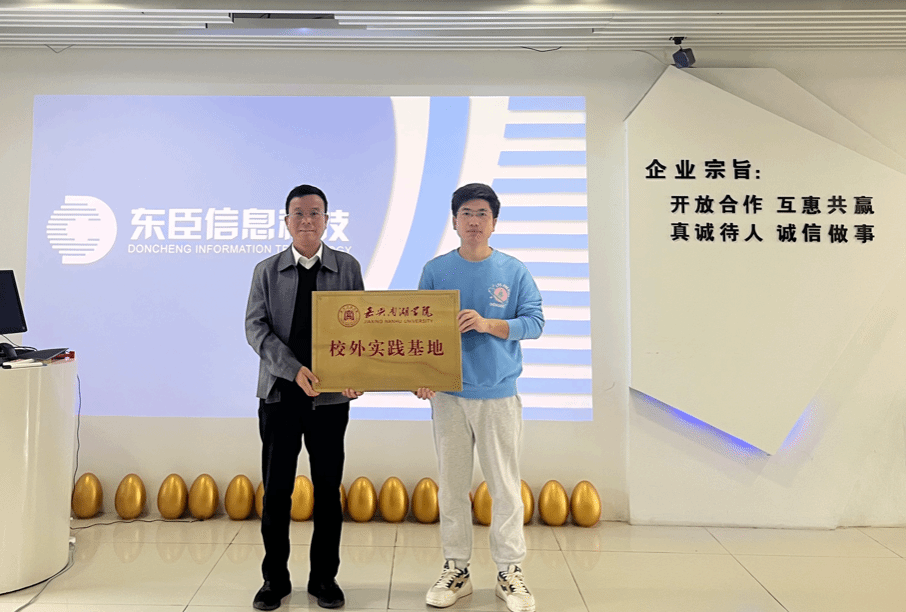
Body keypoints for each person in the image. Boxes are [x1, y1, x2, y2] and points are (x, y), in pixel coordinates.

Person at [415, 183, 544, 612]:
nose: (474, 221)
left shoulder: (513, 270)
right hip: (448, 395)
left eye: (482, 214)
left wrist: (489, 324)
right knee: (452, 487)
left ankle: (510, 571)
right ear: (454, 221)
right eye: (466, 213)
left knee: (504, 486)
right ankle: (457, 569)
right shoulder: (436, 270)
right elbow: (420, 330)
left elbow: (535, 323)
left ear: (494, 222)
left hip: (497, 394)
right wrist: (421, 376)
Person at [245, 184, 364, 611]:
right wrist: (293, 369)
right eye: (298, 213)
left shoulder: (347, 267)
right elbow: (255, 329)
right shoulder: (267, 270)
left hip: (330, 401)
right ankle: (274, 580)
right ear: (286, 221)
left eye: (315, 213)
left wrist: (356, 374)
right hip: (280, 396)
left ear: (327, 220)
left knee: (328, 491)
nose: (307, 220)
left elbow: (362, 328)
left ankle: (324, 579)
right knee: (276, 492)